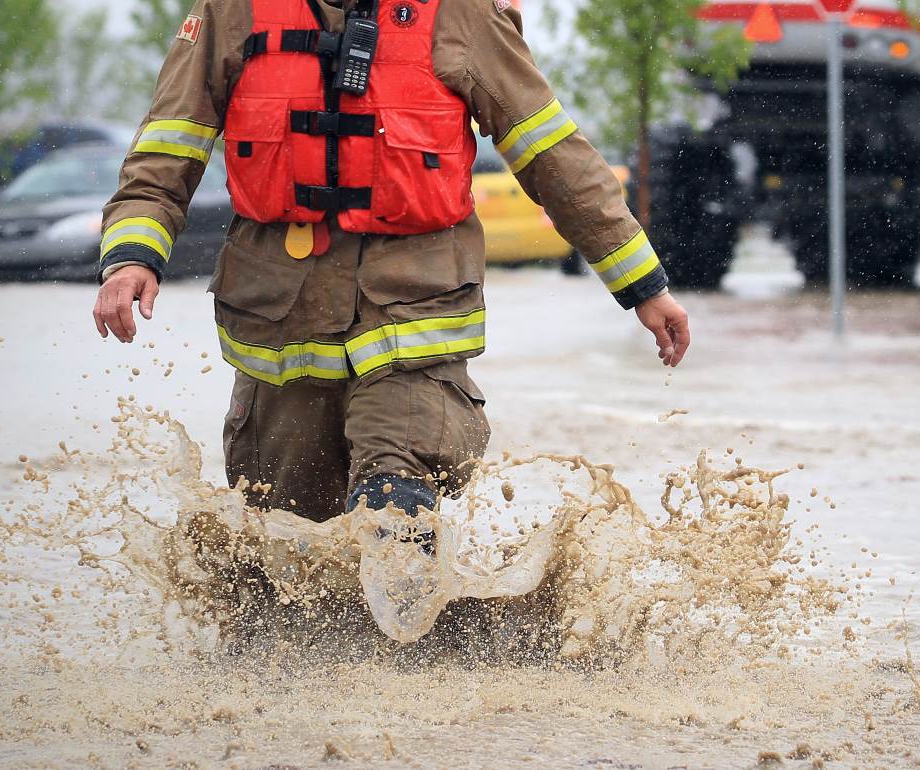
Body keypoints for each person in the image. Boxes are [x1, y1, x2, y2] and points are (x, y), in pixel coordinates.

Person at [91, 0, 690, 543]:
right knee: (279, 538)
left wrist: (642, 285)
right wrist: (132, 258)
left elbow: (554, 155)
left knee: (393, 501)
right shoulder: (233, 11)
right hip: (280, 319)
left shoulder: (462, 13)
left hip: (415, 317)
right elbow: (165, 150)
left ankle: (422, 646)